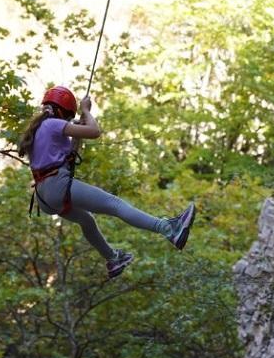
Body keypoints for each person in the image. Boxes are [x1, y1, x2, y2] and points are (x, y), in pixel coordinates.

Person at [18, 85, 196, 279]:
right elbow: (94, 131)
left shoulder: (36, 130)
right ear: (62, 112)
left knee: (87, 220)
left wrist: (78, 130)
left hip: (44, 197)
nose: (68, 121)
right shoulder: (53, 124)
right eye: (69, 117)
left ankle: (113, 259)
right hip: (56, 184)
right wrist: (86, 111)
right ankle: (169, 229)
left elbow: (68, 156)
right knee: (115, 204)